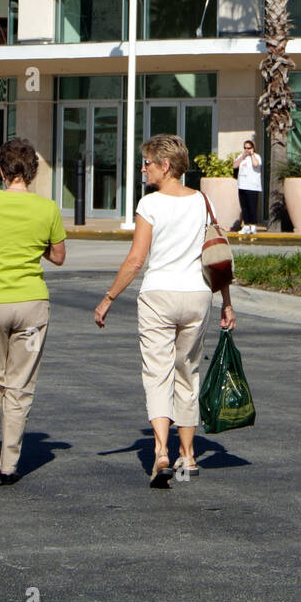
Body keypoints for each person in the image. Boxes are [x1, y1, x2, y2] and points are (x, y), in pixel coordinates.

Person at [93, 133, 235, 486]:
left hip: (159, 296)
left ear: (166, 166)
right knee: (187, 373)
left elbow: (136, 259)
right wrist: (227, 304)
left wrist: (109, 297)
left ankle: (160, 452)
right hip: (197, 296)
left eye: (147, 163)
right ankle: (188, 456)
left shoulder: (150, 204)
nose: (143, 170)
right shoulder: (201, 201)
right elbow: (217, 253)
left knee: (158, 373)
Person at [0, 137, 66, 486]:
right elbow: (58, 256)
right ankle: (9, 464)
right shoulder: (48, 209)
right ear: (34, 172)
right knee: (19, 385)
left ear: (0, 170)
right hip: (32, 305)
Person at [233, 138, 263, 229]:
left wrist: (252, 154)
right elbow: (235, 165)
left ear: (253, 148)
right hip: (242, 186)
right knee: (244, 207)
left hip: (252, 187)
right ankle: (246, 226)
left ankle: (253, 226)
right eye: (245, 148)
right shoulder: (241, 156)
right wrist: (242, 157)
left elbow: (256, 164)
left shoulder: (257, 156)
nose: (247, 150)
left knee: (252, 208)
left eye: (249, 148)